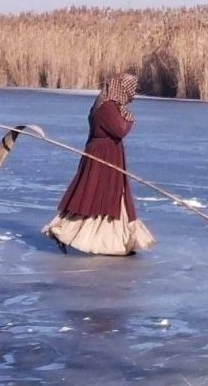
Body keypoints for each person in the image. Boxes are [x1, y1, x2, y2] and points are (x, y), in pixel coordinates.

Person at [42, 73, 156, 256]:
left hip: (109, 154)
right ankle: (64, 230)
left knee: (111, 195)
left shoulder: (109, 104)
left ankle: (116, 241)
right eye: (130, 89)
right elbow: (119, 130)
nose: (132, 94)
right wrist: (129, 120)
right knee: (97, 195)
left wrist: (125, 117)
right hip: (103, 156)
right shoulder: (107, 106)